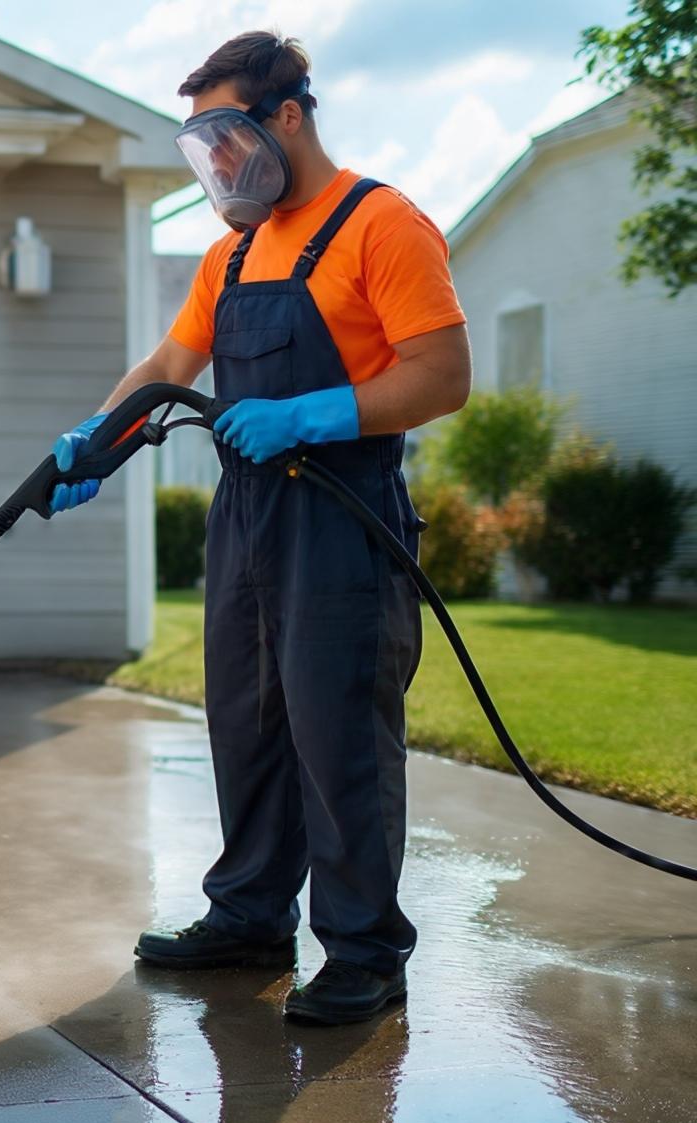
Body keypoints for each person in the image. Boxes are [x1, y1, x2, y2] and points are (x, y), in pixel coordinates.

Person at [54, 32, 471, 1025]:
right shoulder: (233, 252)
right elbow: (170, 361)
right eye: (202, 146)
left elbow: (441, 376)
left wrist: (312, 412)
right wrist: (95, 439)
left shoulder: (382, 224)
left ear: (287, 116)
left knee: (338, 742)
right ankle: (246, 916)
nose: (219, 163)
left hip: (342, 517)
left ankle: (365, 954)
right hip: (246, 522)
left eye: (228, 136)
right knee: (244, 728)